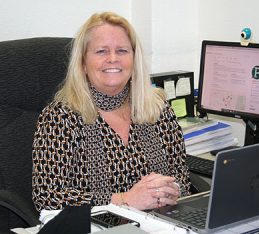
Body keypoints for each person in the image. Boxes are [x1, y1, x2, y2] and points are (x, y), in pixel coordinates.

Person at [32, 11, 190, 212]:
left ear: (134, 59)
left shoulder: (158, 108)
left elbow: (182, 176)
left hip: (160, 223)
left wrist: (173, 189)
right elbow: (47, 196)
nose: (113, 59)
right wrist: (125, 200)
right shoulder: (59, 118)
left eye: (122, 50)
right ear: (83, 63)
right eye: (101, 51)